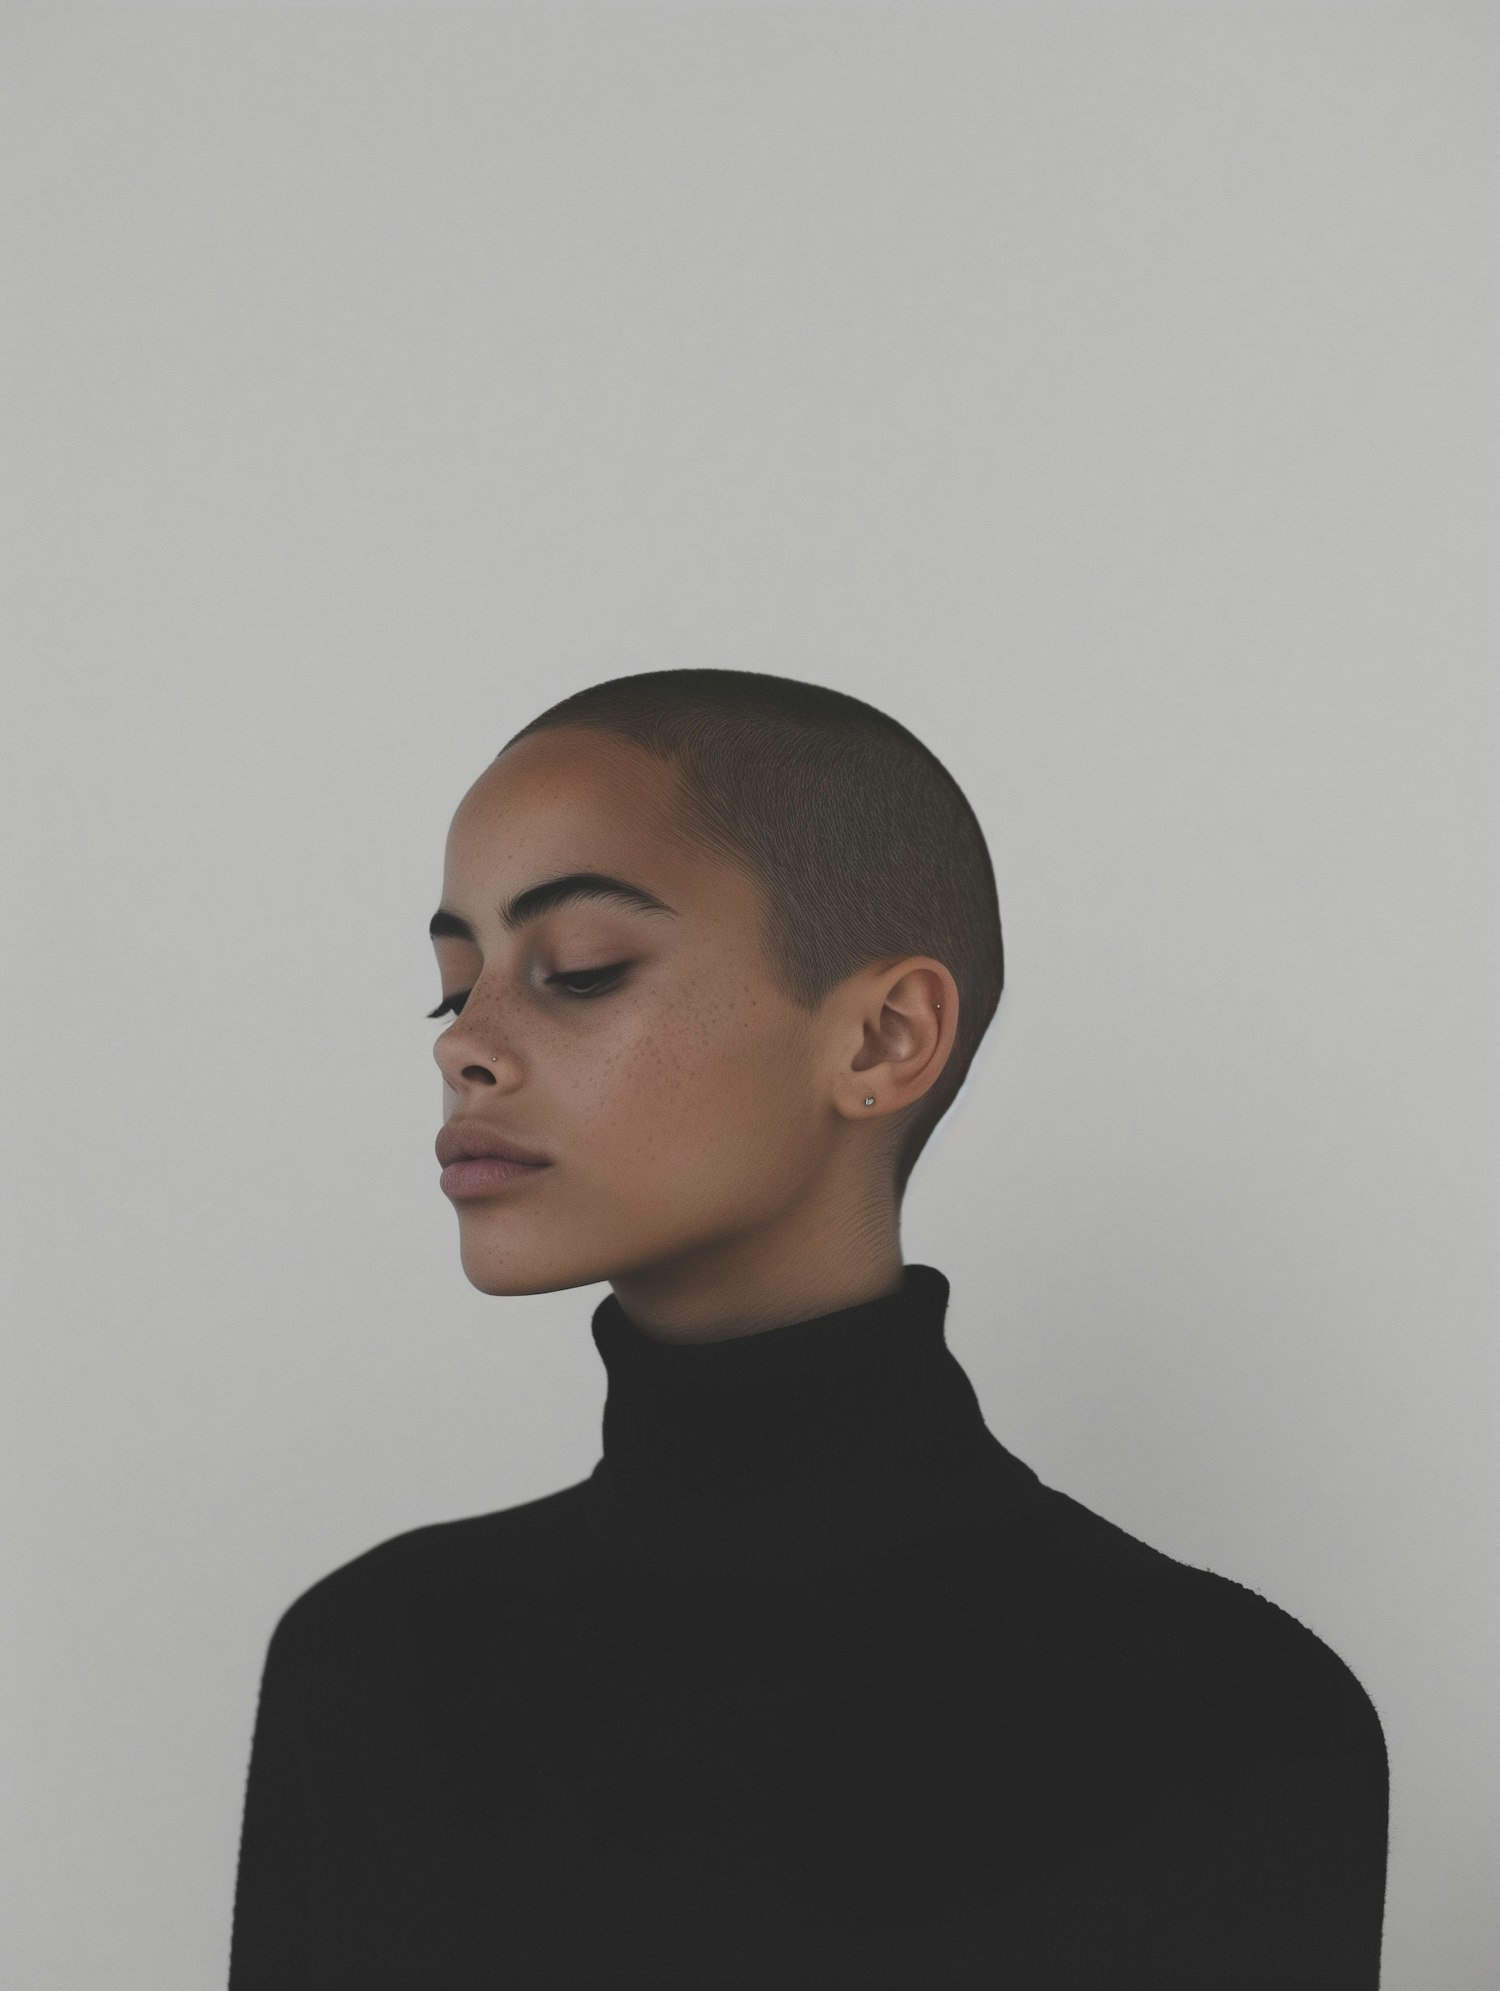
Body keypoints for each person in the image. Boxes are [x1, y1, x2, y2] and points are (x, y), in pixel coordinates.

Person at [229, 669, 1389, 1989]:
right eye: (454, 988)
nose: (466, 1047)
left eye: (581, 971)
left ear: (888, 1038)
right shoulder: (371, 1667)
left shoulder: (1232, 1720)